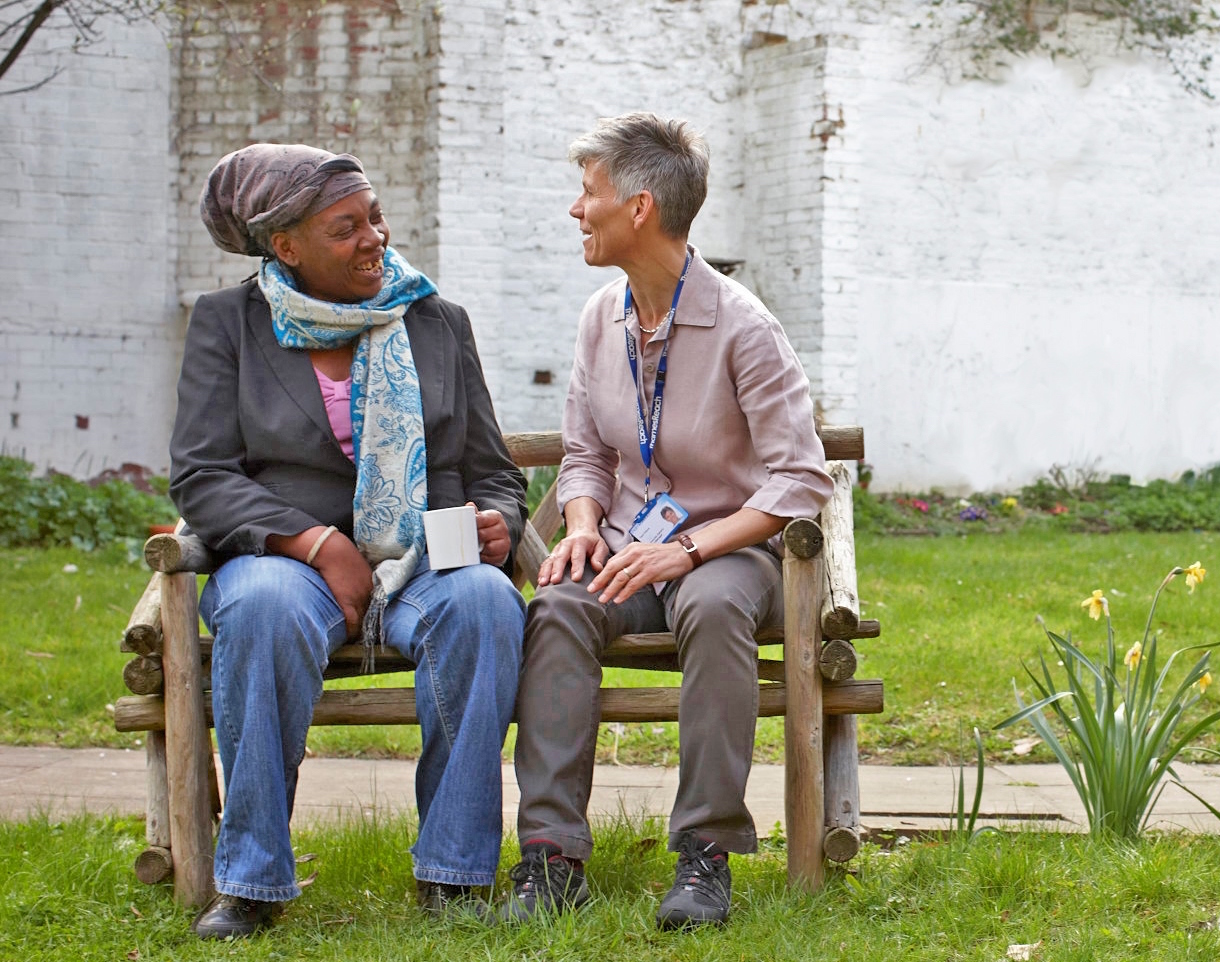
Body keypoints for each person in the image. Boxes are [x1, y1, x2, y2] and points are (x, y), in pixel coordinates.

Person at [170, 144, 527, 939]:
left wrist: (501, 521)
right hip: (281, 560)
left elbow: (492, 471)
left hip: (424, 557)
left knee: (484, 602)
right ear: (285, 247)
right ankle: (253, 882)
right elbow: (202, 476)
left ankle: (456, 875)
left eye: (374, 217)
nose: (375, 237)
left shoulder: (434, 321)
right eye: (346, 228)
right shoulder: (229, 323)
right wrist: (313, 543)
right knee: (260, 608)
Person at [503, 113, 834, 929]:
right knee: (557, 607)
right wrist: (581, 524)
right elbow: (584, 454)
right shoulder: (598, 318)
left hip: (730, 548)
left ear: (640, 208)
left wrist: (684, 551)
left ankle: (704, 855)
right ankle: (551, 858)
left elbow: (799, 480)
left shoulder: (744, 328)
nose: (576, 211)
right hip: (625, 549)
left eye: (589, 194)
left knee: (713, 602)